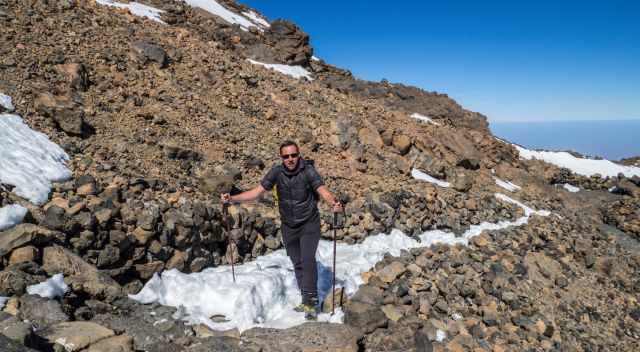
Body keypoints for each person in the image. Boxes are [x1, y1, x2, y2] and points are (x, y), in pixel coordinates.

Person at [220, 140, 343, 320]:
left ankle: (311, 301)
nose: (290, 159)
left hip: (309, 223)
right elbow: (257, 192)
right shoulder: (276, 173)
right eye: (286, 156)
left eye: (293, 155)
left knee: (308, 259)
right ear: (282, 158)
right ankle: (305, 297)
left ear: (298, 155)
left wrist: (333, 202)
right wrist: (233, 199)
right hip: (288, 226)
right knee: (297, 262)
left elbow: (322, 190)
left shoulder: (308, 171)